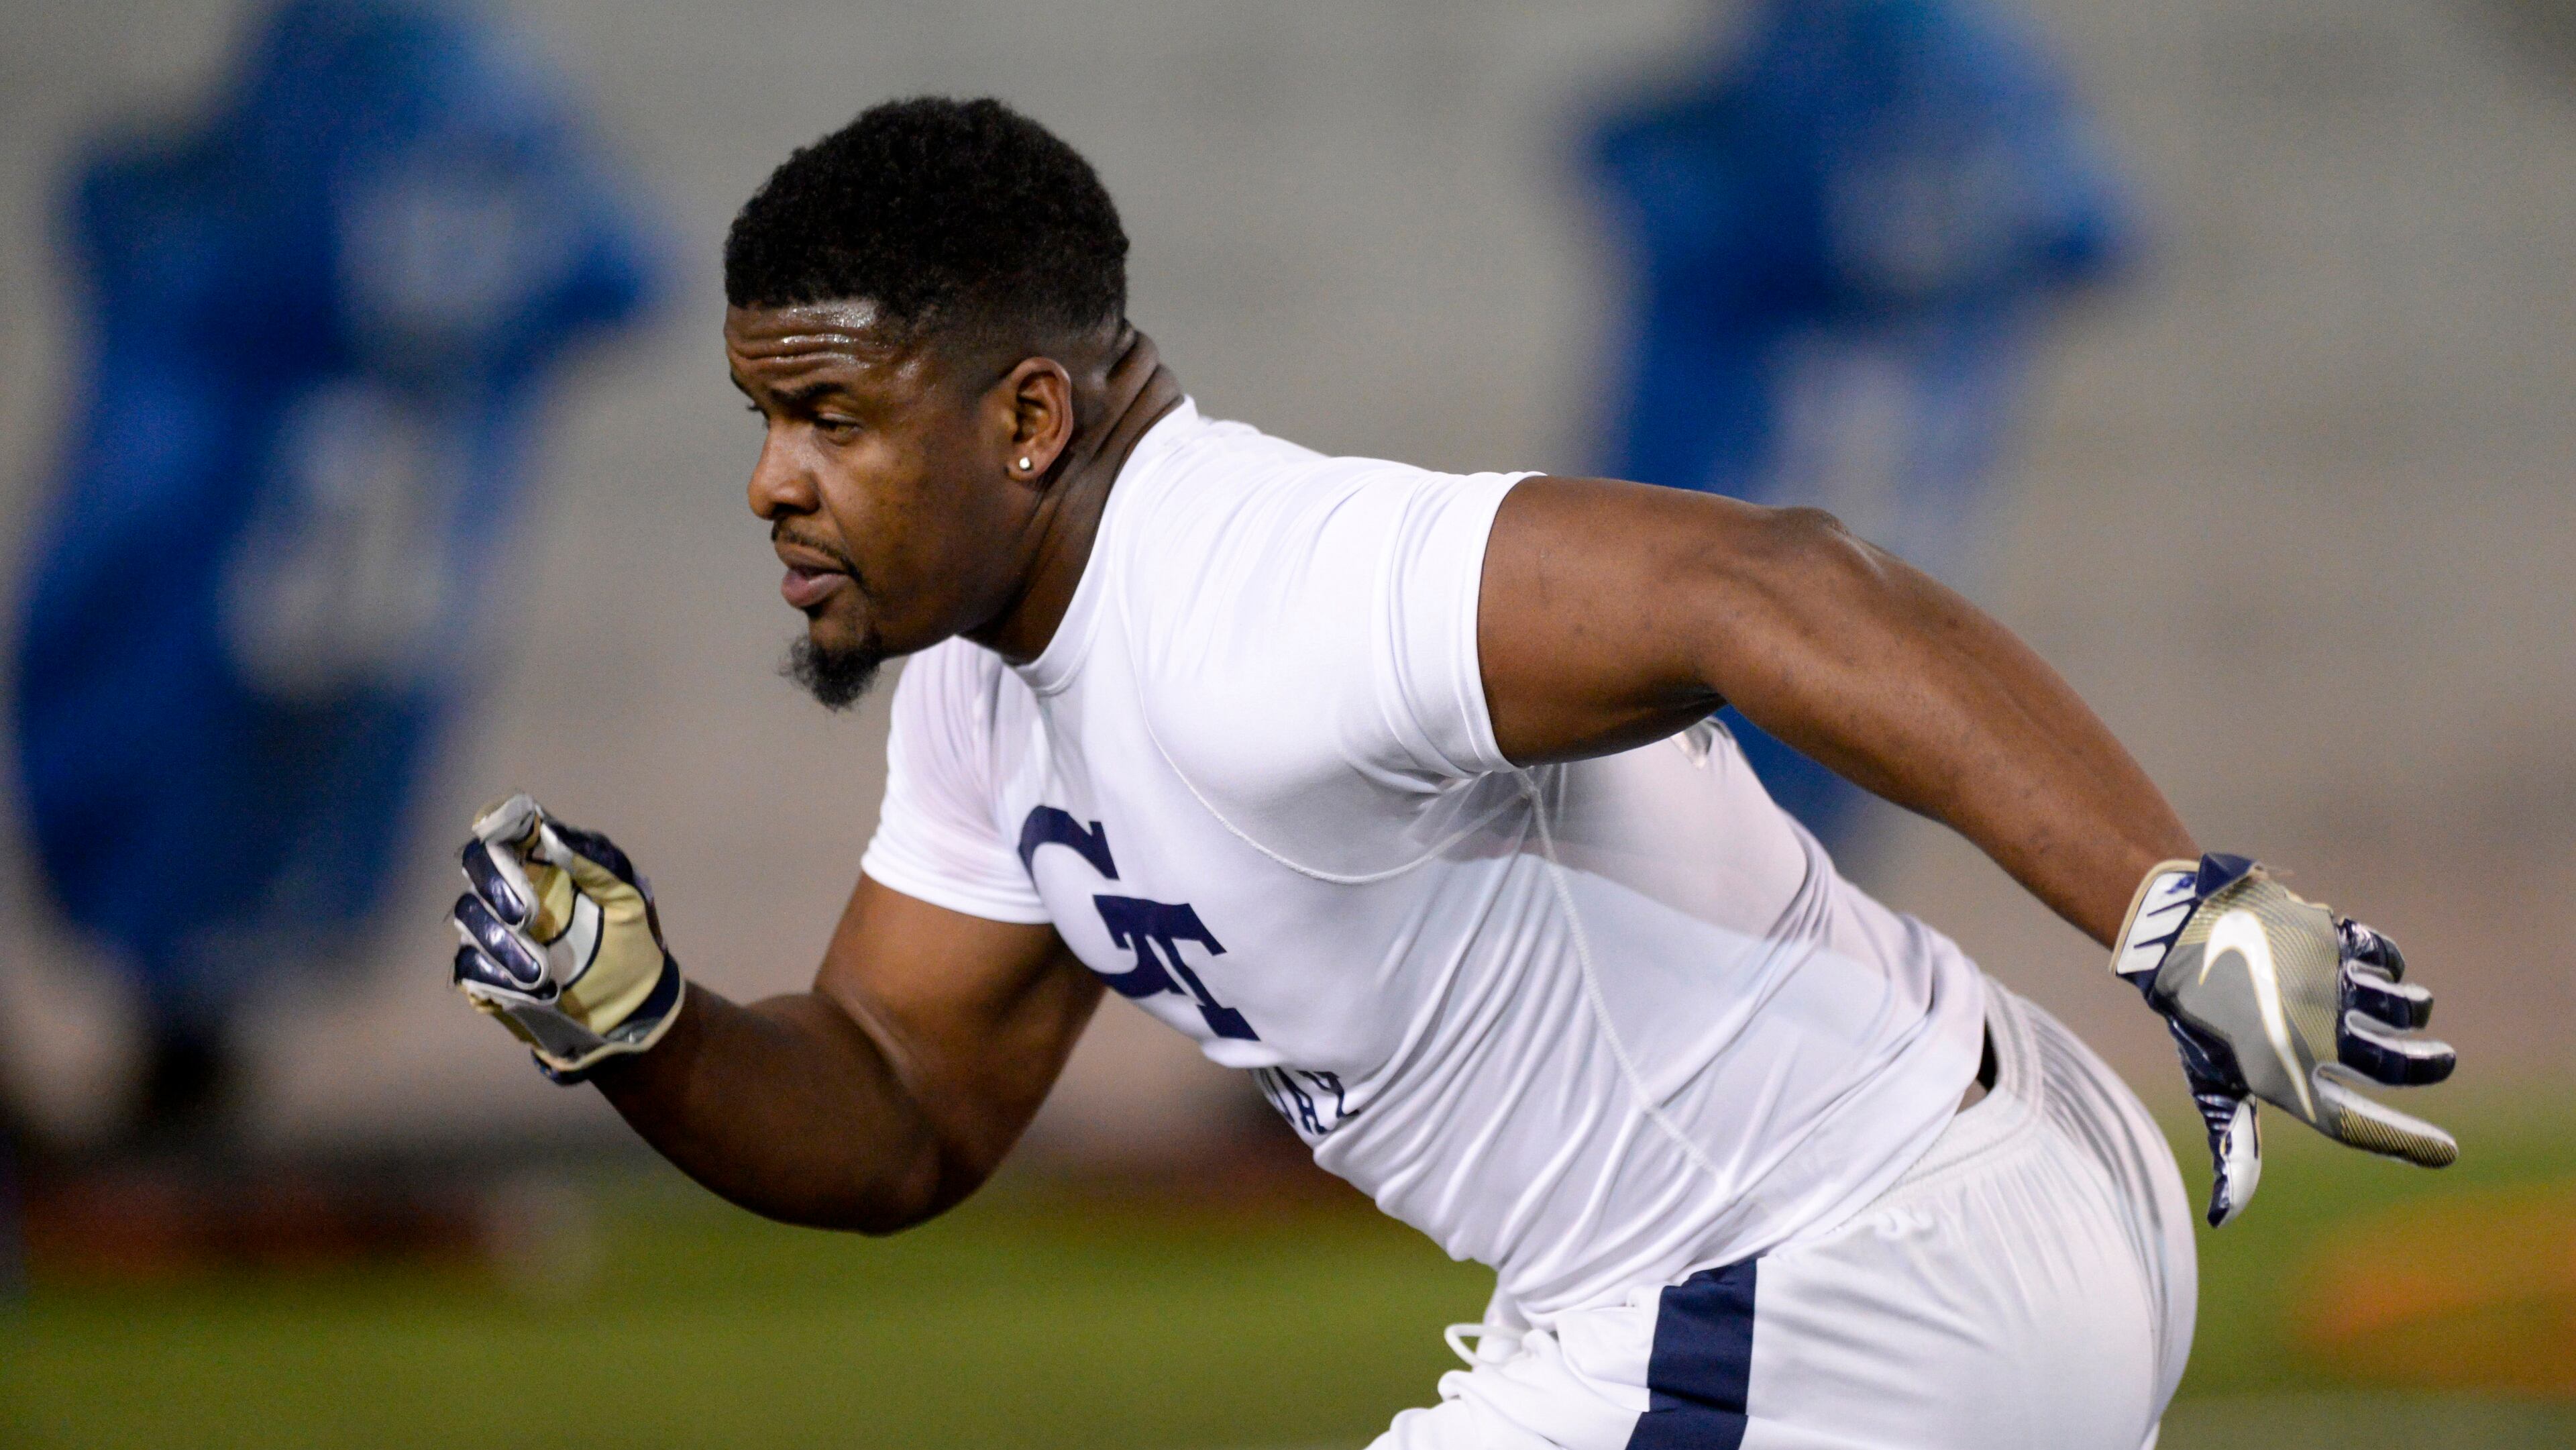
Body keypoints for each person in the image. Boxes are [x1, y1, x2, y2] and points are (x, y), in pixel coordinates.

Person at [444, 98, 2455, 1449]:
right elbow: (898, 1105)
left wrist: (2164, 898)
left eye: (827, 415)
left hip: (1842, 1268)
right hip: (1888, 1223)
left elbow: (1772, 580)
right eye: (760, 417)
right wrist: (644, 1027)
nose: (771, 479)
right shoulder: (991, 695)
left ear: (1032, 415)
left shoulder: (1249, 587)